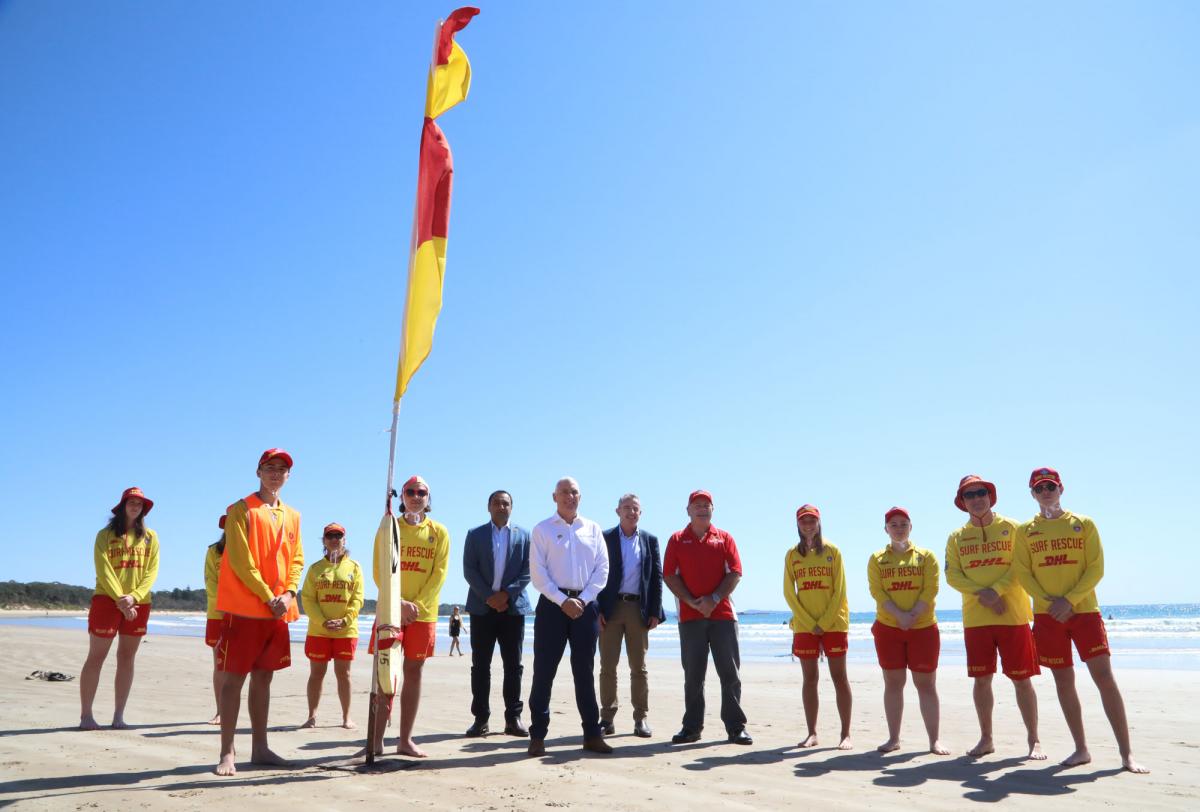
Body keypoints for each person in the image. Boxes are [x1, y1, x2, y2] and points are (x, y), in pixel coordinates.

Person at [1014, 467, 1149, 773]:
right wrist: (1052, 603)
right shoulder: (1026, 532)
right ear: (1033, 495)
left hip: (1084, 611)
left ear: (1061, 489)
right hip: (1048, 616)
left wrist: (1070, 600)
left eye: (1050, 486)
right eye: (1039, 488)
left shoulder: (1083, 524)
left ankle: (1127, 754)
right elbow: (1024, 573)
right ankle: (1081, 749)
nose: (1046, 492)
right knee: (1064, 681)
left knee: (1104, 678)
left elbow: (1096, 568)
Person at [214, 448, 304, 776]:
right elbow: (239, 560)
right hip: (246, 609)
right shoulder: (241, 510)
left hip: (278, 612)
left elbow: (297, 560)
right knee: (233, 679)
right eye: (270, 467)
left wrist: (290, 593)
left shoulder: (293, 515)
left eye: (282, 469)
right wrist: (269, 596)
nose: (276, 473)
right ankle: (227, 752)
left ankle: (260, 747)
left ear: (288, 476)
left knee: (264, 678)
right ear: (259, 472)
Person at [944, 474, 1045, 760]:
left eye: (980, 493)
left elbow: (1021, 565)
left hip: (1012, 615)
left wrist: (997, 591)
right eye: (969, 495)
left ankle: (1034, 740)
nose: (976, 499)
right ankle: (986, 739)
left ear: (990, 496)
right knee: (981, 680)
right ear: (962, 502)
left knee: (1022, 680)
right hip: (976, 620)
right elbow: (952, 574)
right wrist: (982, 593)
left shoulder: (1013, 528)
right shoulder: (957, 537)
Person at [526, 477, 612, 756]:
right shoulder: (542, 530)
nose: (569, 496)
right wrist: (563, 601)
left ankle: (591, 734)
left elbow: (602, 569)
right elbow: (538, 575)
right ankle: (537, 735)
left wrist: (583, 600)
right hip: (552, 606)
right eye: (564, 492)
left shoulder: (593, 528)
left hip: (586, 607)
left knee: (584, 672)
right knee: (544, 671)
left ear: (580, 496)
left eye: (574, 492)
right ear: (554, 497)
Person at [369, 475, 450, 758]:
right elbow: (380, 569)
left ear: (428, 499)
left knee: (413, 673)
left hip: (422, 615)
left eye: (422, 492)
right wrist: (398, 602)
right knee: (384, 674)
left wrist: (415, 605)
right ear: (401, 496)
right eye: (410, 492)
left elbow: (438, 575)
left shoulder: (439, 532)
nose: (416, 496)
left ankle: (405, 740)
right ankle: (376, 740)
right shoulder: (389, 526)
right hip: (391, 610)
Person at [663, 490, 752, 746]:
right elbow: (670, 575)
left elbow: (735, 572)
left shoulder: (724, 538)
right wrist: (692, 602)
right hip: (690, 618)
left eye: (706, 504)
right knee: (693, 675)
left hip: (723, 616)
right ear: (688, 510)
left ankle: (736, 728)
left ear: (713, 509)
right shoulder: (677, 539)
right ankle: (692, 728)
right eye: (697, 505)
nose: (702, 508)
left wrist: (713, 599)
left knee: (730, 673)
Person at [867, 506, 948, 755]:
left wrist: (912, 615)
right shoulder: (877, 558)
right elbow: (877, 592)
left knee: (926, 684)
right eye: (894, 524)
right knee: (893, 683)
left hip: (922, 627)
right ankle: (893, 738)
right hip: (889, 627)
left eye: (903, 523)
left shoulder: (926, 556)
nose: (899, 528)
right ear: (886, 530)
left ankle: (934, 740)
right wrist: (899, 615)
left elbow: (931, 589)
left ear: (911, 526)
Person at [79, 487, 160, 731]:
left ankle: (118, 716)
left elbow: (151, 572)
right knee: (97, 656)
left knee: (127, 658)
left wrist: (133, 597)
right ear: (123, 505)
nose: (135, 506)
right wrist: (121, 599)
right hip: (107, 601)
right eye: (131, 502)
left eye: (139, 503)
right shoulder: (104, 535)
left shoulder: (151, 537)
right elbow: (103, 569)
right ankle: (86, 716)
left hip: (139, 604)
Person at [462, 490, 531, 737]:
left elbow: (528, 570)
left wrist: (506, 595)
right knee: (480, 666)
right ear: (488, 507)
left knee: (514, 666)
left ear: (512, 507)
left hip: (513, 609)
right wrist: (490, 597)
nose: (502, 507)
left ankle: (513, 718)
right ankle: (480, 719)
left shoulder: (524, 536)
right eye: (497, 503)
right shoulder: (475, 534)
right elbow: (469, 570)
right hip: (482, 609)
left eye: (506, 503)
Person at [784, 504, 852, 750]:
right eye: (804, 521)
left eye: (812, 520)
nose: (808, 525)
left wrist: (823, 622)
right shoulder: (793, 555)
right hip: (805, 627)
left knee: (839, 678)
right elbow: (789, 593)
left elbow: (840, 589)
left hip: (834, 623)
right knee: (809, 679)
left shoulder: (833, 551)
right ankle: (812, 733)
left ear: (819, 522)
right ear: (798, 525)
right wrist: (808, 622)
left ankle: (845, 734)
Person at [597, 493, 665, 738]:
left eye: (635, 508)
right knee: (608, 667)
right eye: (626, 508)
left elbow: (657, 577)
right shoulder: (604, 538)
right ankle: (606, 718)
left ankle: (641, 718)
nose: (631, 512)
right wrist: (596, 610)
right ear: (617, 511)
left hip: (638, 610)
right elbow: (594, 575)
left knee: (639, 667)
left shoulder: (650, 540)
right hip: (610, 609)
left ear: (640, 513)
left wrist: (655, 612)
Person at [299, 522, 363, 730]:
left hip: (346, 631)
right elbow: (308, 599)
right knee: (316, 673)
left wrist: (345, 620)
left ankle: (346, 717)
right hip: (319, 631)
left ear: (344, 540)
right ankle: (311, 716)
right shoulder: (315, 568)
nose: (334, 539)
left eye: (338, 536)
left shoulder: (354, 567)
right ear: (324, 541)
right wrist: (322, 621)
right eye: (330, 536)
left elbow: (357, 599)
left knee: (344, 674)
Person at [203, 515, 227, 725]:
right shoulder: (214, 551)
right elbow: (211, 584)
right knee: (220, 664)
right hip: (218, 614)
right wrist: (228, 606)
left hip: (245, 615)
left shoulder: (251, 550)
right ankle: (220, 711)